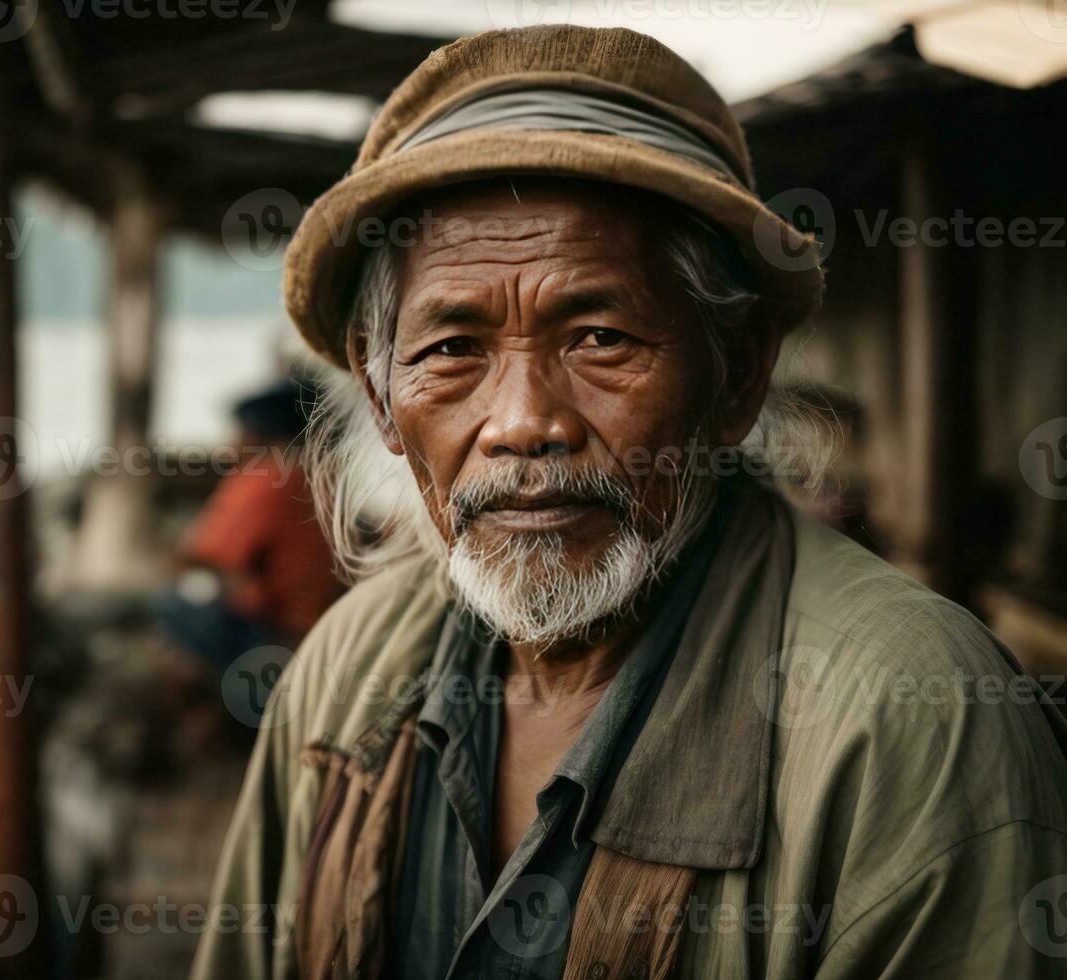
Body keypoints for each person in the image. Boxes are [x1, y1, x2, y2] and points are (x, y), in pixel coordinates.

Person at [192, 25, 1067, 979]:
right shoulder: (344, 675)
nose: (523, 423)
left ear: (734, 377)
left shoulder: (908, 715)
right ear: (383, 405)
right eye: (451, 350)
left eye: (601, 337)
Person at [153, 378, 341, 674]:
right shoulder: (322, 474)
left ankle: (237, 689)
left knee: (173, 605)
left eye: (238, 432)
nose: (232, 444)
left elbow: (201, 553)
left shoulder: (265, 477)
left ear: (255, 434)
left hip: (285, 630)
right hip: (328, 622)